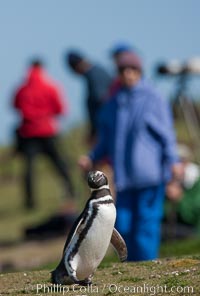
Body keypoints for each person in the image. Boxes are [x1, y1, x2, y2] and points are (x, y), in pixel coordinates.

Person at [78, 51, 183, 261]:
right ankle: (130, 269)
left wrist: (173, 162)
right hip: (125, 180)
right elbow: (106, 140)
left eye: (132, 69)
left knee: (146, 227)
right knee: (123, 226)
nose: (128, 74)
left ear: (139, 71)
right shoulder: (114, 103)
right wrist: (91, 156)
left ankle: (146, 271)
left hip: (150, 176)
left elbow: (166, 135)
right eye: (123, 70)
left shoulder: (153, 98)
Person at [13, 59, 75, 209]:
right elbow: (60, 109)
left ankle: (30, 202)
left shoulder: (22, 89)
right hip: (47, 131)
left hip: (28, 133)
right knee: (59, 163)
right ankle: (72, 191)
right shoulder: (50, 86)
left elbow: (15, 105)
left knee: (29, 168)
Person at [66, 50, 112, 144]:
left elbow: (101, 102)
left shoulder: (95, 75)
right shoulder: (94, 73)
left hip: (105, 128)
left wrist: (95, 131)